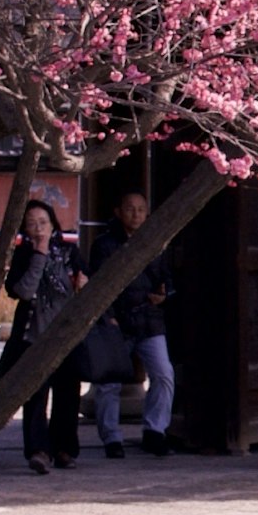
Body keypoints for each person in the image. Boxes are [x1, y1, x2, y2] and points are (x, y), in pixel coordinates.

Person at [85, 181, 175, 459]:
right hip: (117, 320)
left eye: (141, 210)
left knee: (163, 374)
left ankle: (155, 430)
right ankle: (111, 436)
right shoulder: (104, 245)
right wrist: (107, 318)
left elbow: (167, 278)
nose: (136, 215)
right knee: (109, 382)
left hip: (149, 319)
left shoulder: (155, 241)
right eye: (130, 209)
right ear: (118, 212)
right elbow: (97, 284)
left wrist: (164, 293)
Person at [3, 196, 82, 473]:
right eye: (32, 224)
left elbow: (82, 285)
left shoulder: (70, 253)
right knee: (35, 396)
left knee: (67, 396)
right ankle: (38, 450)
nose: (38, 228)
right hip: (33, 336)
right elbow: (23, 291)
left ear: (53, 224)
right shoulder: (23, 255)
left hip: (66, 336)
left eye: (43, 222)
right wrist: (39, 254)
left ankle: (63, 449)